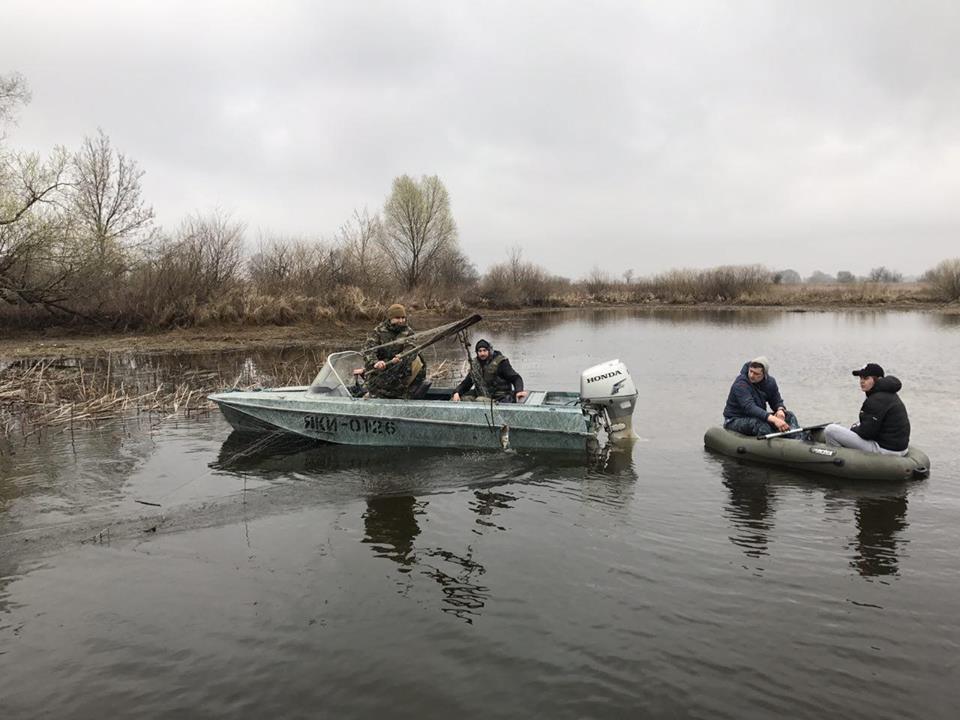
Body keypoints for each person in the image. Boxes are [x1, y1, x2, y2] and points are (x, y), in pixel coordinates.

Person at [824, 363, 910, 455]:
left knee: (830, 430)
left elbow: (867, 433)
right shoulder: (888, 394)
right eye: (861, 378)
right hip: (899, 448)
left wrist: (854, 429)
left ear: (878, 379)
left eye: (866, 378)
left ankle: (837, 462)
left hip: (885, 450)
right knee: (855, 426)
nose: (862, 381)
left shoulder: (877, 399)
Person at [360, 303, 427, 399]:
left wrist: (401, 356)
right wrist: (376, 362)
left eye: (403, 318)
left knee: (419, 358)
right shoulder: (378, 331)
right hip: (381, 370)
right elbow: (369, 350)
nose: (401, 321)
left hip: (400, 370)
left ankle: (404, 394)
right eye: (397, 318)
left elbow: (411, 348)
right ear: (391, 318)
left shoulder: (408, 332)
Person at [722, 356, 800, 436]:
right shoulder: (740, 384)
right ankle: (780, 441)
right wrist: (775, 420)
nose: (752, 375)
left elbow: (776, 401)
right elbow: (749, 407)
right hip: (735, 419)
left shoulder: (770, 383)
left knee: (789, 415)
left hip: (757, 417)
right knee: (760, 424)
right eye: (750, 371)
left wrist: (780, 410)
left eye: (756, 374)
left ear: (764, 374)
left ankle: (797, 438)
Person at [451, 339, 528, 403]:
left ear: (489, 350)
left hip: (500, 398)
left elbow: (516, 378)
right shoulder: (475, 365)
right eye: (480, 351)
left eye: (484, 350)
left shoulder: (501, 363)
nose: (482, 353)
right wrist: (457, 392)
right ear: (477, 352)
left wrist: (519, 391)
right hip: (483, 395)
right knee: (460, 399)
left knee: (479, 400)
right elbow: (467, 383)